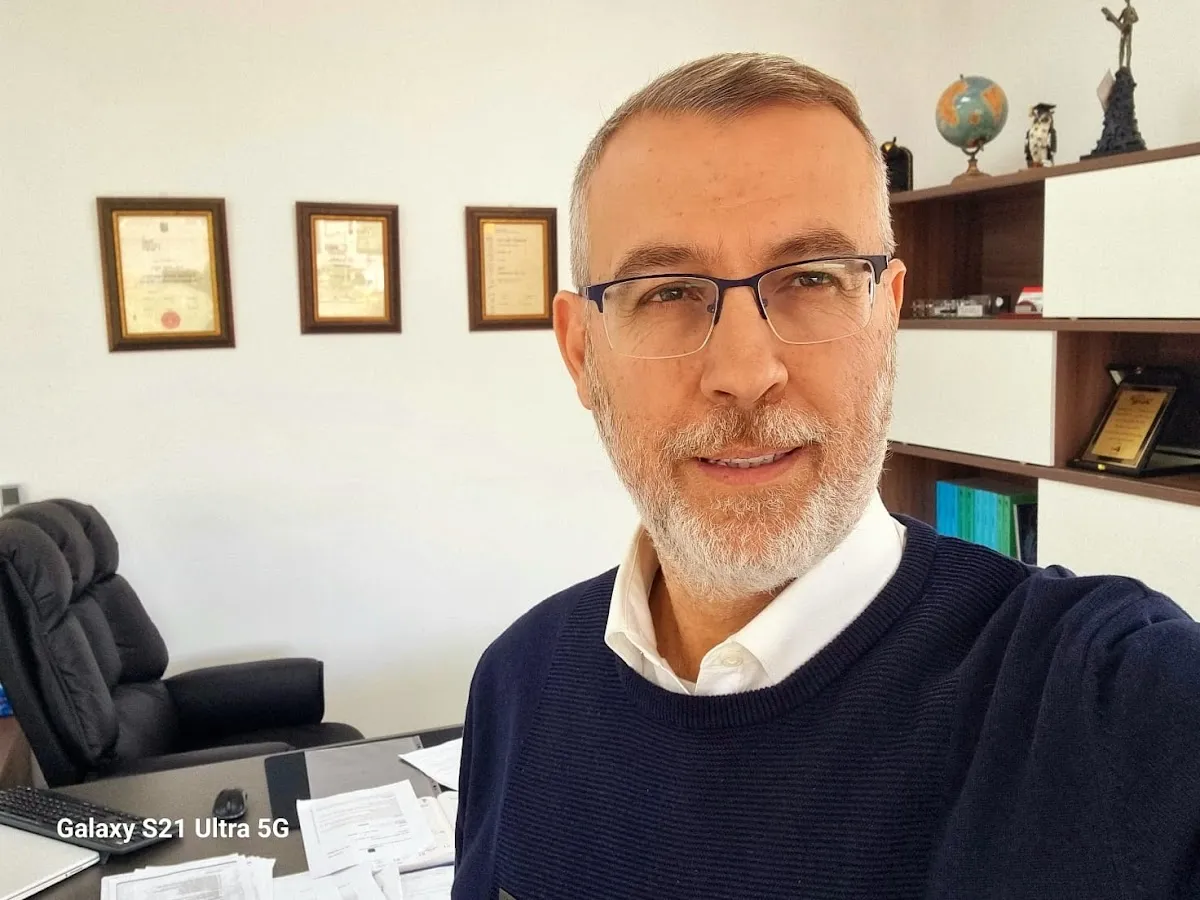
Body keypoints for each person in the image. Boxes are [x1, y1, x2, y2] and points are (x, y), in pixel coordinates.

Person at [453, 52, 1200, 899]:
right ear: (581, 351)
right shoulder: (516, 681)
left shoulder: (1111, 702)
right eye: (666, 292)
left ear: (888, 316)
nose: (745, 372)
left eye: (812, 278)